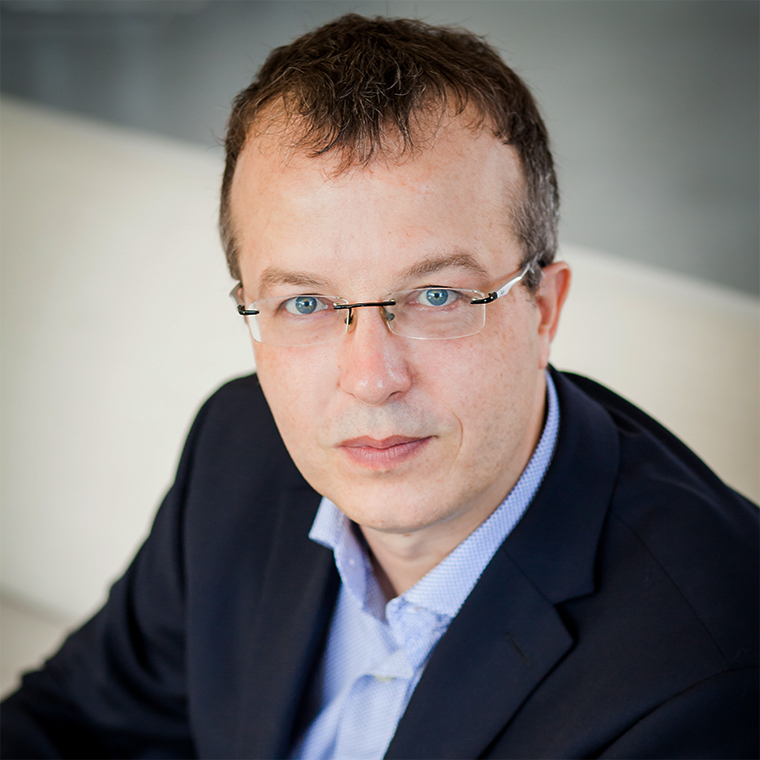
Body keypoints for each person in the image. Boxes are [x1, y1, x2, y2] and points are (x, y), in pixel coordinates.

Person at [2, 14, 758, 760]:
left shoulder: (709, 673)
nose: (370, 380)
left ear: (544, 311)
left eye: (437, 296)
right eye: (306, 303)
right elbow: (76, 724)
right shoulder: (238, 448)